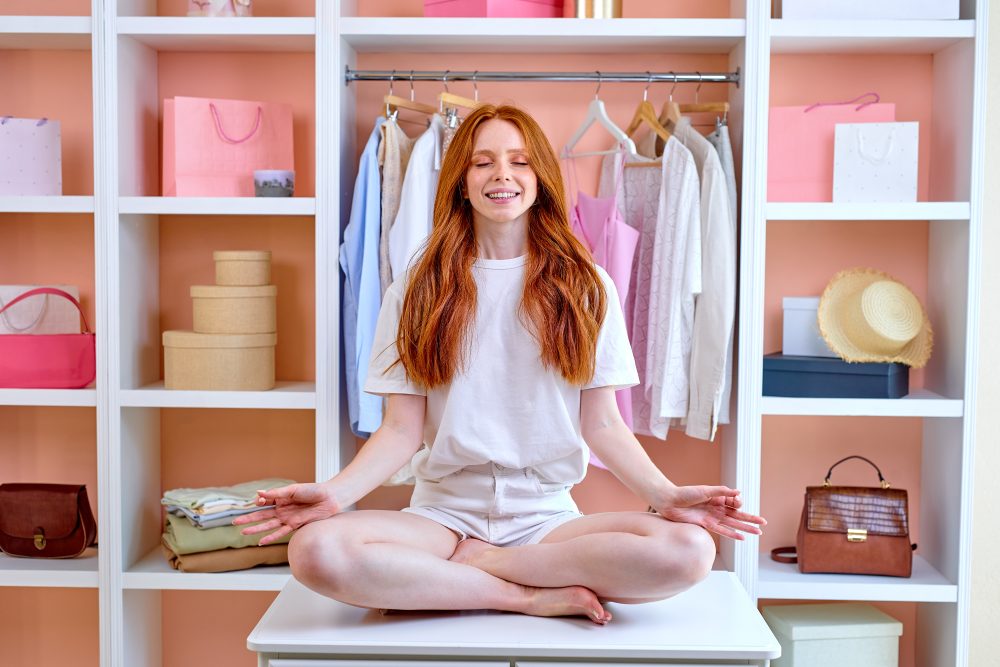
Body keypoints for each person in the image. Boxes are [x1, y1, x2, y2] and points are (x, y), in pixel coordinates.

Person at [236, 104, 765, 625]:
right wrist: (333, 494)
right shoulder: (417, 289)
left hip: (547, 517)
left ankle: (488, 565)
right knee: (315, 551)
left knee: (689, 552)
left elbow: (603, 424)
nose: (502, 175)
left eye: (520, 160)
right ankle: (524, 596)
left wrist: (666, 496)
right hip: (442, 515)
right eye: (483, 161)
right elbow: (400, 429)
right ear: (461, 181)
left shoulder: (586, 286)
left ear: (541, 178)